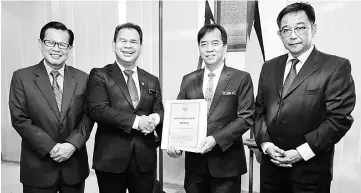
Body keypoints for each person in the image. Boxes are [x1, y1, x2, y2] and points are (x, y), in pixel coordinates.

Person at [254, 2, 356, 193]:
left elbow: (339, 119)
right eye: (286, 30)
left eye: (300, 27)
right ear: (279, 34)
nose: (293, 35)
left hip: (311, 172)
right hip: (271, 171)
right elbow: (259, 111)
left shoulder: (335, 67)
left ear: (313, 29)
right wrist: (266, 145)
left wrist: (302, 152)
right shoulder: (269, 67)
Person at [166, 23, 255, 193]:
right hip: (194, 167)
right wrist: (173, 142)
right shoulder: (188, 80)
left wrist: (216, 139)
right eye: (203, 44)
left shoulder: (241, 78)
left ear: (225, 47)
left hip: (226, 165)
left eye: (215, 43)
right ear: (199, 49)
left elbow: (246, 116)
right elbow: (177, 116)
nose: (209, 49)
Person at [8, 21, 94, 193]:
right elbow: (20, 119)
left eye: (63, 44)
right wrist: (51, 147)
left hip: (74, 167)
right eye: (50, 42)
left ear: (70, 49)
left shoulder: (84, 79)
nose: (56, 49)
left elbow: (88, 116)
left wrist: (71, 144)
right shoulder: (21, 77)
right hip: (37, 167)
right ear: (40, 44)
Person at [86, 22, 164, 193]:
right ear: (114, 45)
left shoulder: (152, 80)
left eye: (134, 42)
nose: (128, 46)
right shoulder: (100, 75)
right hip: (110, 160)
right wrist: (138, 122)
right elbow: (99, 110)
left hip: (145, 160)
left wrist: (155, 119)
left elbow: (159, 110)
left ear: (141, 47)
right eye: (123, 41)